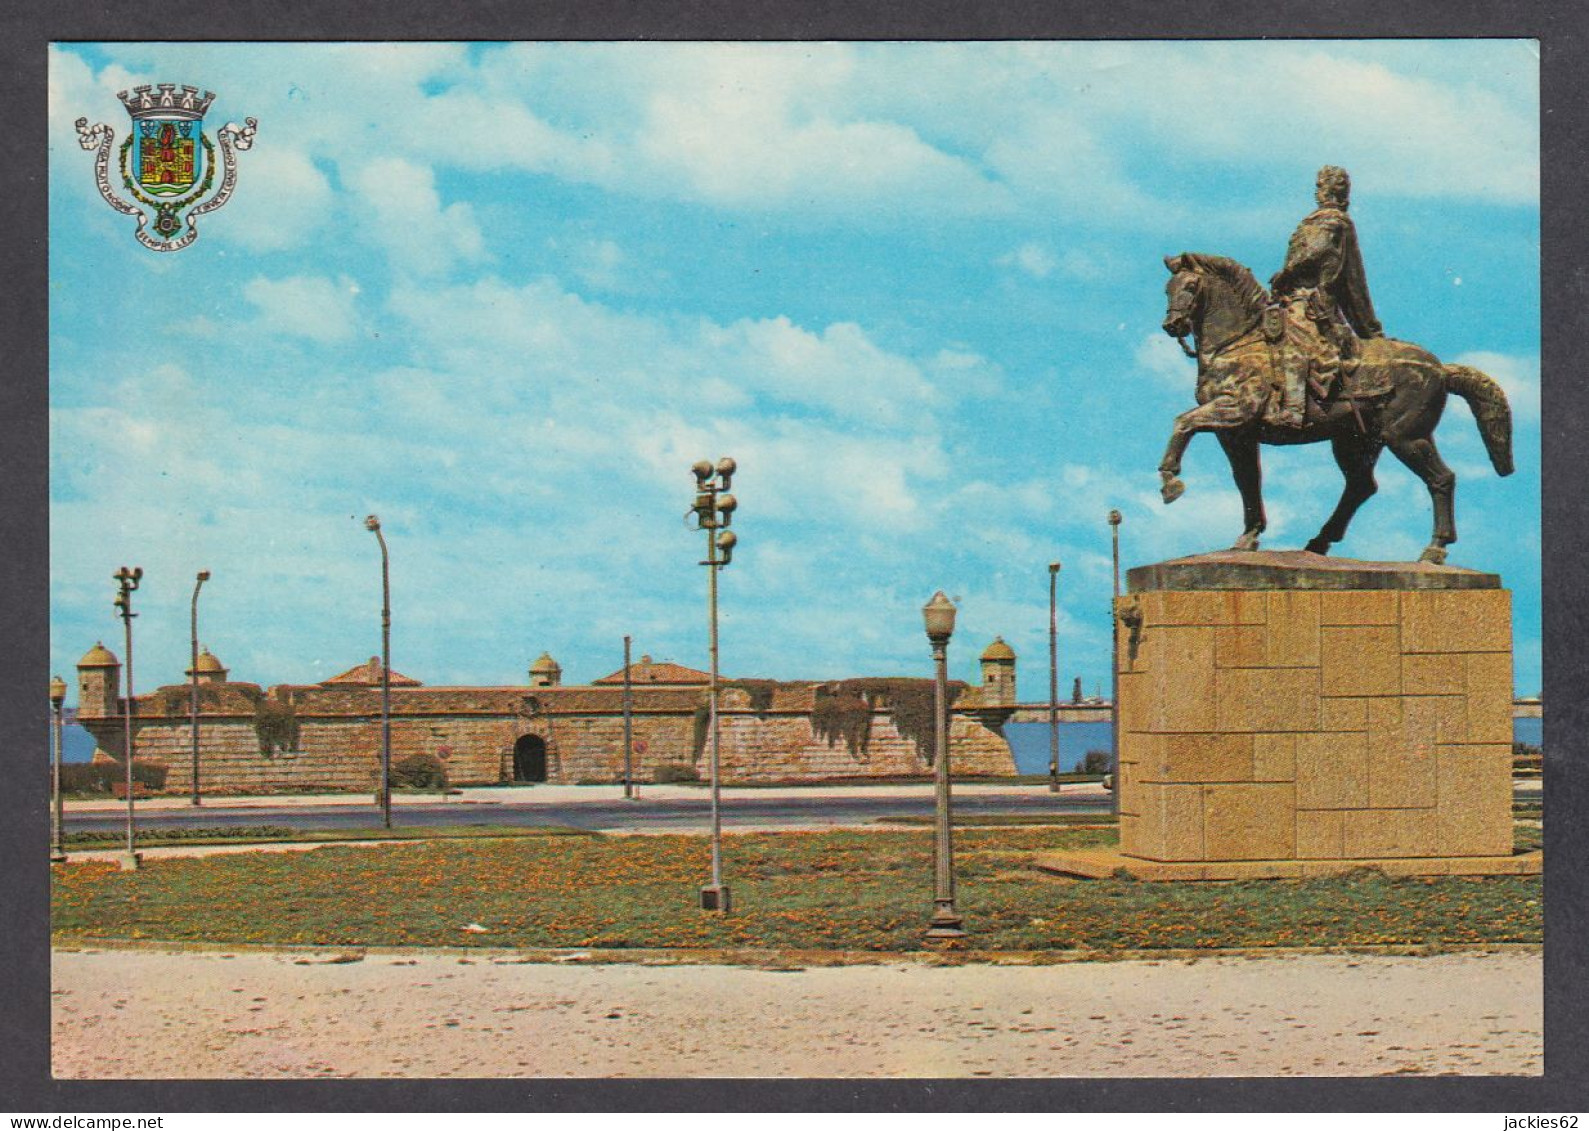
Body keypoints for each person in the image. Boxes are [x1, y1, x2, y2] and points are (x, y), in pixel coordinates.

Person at [1267, 166, 1384, 427]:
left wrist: (1287, 272)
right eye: (1319, 186)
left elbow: (1318, 253)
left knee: (1295, 340)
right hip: (1292, 299)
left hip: (1313, 303)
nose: (1318, 192)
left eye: (1322, 186)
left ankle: (1294, 410)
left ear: (1333, 190)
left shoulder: (1334, 222)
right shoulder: (1312, 220)